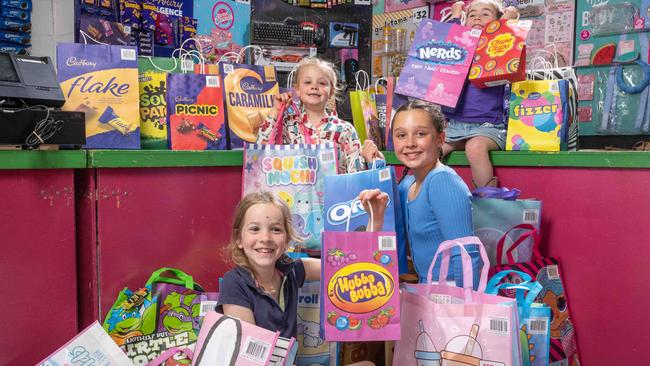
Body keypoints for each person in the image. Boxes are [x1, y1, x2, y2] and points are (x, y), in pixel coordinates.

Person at [216, 191, 376, 366]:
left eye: (276, 229)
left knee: (368, 365)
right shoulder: (235, 284)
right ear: (239, 238)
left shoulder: (291, 269)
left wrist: (375, 217)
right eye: (255, 229)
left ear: (287, 238)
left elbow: (352, 264)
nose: (265, 238)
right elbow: (249, 360)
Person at [359, 100, 481, 287]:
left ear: (440, 139)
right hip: (426, 291)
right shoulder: (409, 184)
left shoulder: (442, 181)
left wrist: (464, 307)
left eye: (421, 134)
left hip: (450, 293)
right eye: (401, 135)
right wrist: (377, 165)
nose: (410, 143)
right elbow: (389, 208)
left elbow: (465, 253)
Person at [441, 0, 519, 188]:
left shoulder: (498, 47)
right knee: (431, 149)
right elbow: (449, 42)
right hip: (455, 127)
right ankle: (424, 194)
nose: (477, 17)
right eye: (472, 14)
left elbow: (503, 34)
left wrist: (507, 19)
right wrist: (455, 16)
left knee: (475, 148)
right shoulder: (459, 46)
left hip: (488, 125)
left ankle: (487, 200)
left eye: (485, 14)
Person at [256, 57, 380, 173]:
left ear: (331, 91)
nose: (314, 87)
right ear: (297, 90)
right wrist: (275, 111)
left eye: (322, 83)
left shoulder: (345, 130)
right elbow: (261, 153)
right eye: (308, 82)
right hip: (290, 194)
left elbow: (355, 173)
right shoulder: (286, 125)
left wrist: (368, 158)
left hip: (332, 195)